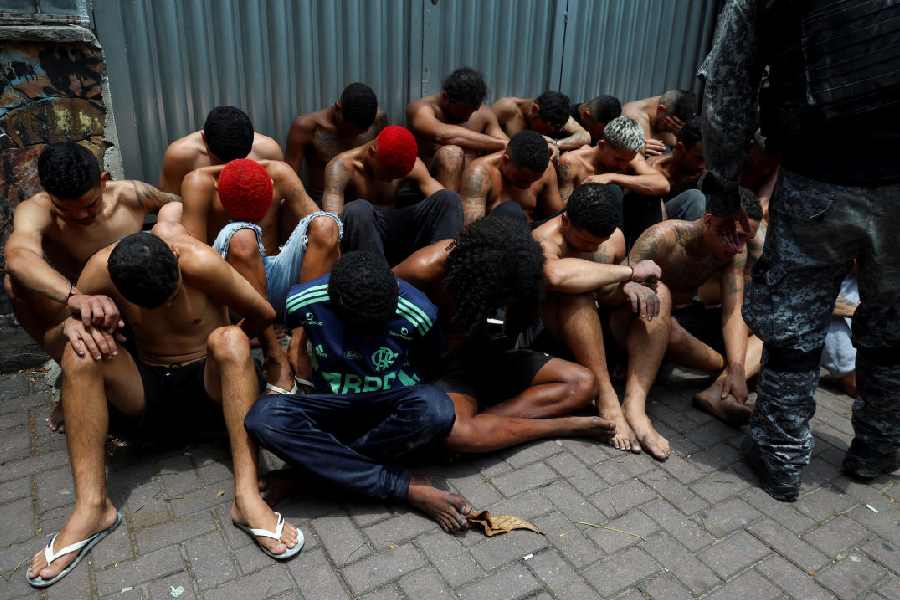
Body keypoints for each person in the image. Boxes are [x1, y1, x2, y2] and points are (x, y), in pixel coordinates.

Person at [25, 214, 300, 589]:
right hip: (146, 391)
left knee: (232, 341)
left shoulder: (199, 261)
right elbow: (53, 334)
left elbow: (263, 313)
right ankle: (93, 508)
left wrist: (252, 357)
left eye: (173, 293)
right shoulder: (101, 269)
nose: (170, 303)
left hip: (208, 388)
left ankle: (247, 496)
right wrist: (71, 325)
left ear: (174, 255)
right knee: (79, 352)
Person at [703, 0, 900, 500]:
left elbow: (727, 88)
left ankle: (780, 457)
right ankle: (879, 449)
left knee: (793, 325)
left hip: (819, 177)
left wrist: (723, 188)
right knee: (893, 327)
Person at [245, 251, 471, 533]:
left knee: (437, 409)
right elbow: (266, 324)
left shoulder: (419, 311)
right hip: (332, 408)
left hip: (389, 415)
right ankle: (404, 487)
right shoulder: (304, 300)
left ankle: (305, 478)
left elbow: (431, 367)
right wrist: (285, 358)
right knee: (264, 417)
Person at [393, 215, 616, 453]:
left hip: (488, 356)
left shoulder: (518, 272)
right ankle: (559, 426)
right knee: (457, 433)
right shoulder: (425, 268)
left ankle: (485, 426)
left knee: (583, 383)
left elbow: (514, 324)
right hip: (443, 369)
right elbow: (376, 312)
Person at [3, 142, 180, 431]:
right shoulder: (37, 209)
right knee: (15, 284)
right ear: (49, 195)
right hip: (79, 309)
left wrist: (169, 225)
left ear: (103, 180)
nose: (81, 216)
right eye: (67, 210)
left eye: (89, 205)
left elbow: (177, 202)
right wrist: (75, 297)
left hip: (135, 303)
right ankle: (70, 372)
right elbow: (18, 255)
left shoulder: (132, 194)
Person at [532, 183, 674, 459]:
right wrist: (628, 273)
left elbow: (609, 291)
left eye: (597, 243)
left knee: (659, 292)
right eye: (585, 242)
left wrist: (629, 287)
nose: (591, 248)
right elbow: (556, 276)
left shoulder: (613, 238)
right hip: (556, 337)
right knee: (576, 295)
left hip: (599, 329)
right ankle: (607, 397)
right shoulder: (544, 239)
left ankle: (635, 406)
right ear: (565, 221)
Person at [181, 157, 341, 394]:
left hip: (286, 288)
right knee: (241, 238)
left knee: (327, 225)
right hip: (239, 293)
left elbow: (328, 244)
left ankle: (299, 344)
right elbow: (193, 263)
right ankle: (273, 354)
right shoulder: (198, 182)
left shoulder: (279, 172)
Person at [629, 190, 763, 427]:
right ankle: (726, 375)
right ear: (709, 220)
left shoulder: (733, 253)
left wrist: (737, 369)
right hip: (652, 321)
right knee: (668, 329)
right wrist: (734, 366)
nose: (740, 248)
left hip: (688, 317)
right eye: (736, 236)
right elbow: (626, 285)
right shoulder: (663, 237)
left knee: (767, 332)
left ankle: (717, 390)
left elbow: (733, 310)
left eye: (746, 239)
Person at [322, 125, 463, 264]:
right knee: (358, 210)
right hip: (363, 236)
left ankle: (447, 266)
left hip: (396, 228)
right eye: (387, 174)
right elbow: (333, 224)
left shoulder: (410, 164)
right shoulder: (341, 168)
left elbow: (441, 200)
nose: (390, 180)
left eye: (396, 176)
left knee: (449, 198)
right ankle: (375, 275)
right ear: (372, 152)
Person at [407, 67, 508, 191]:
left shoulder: (483, 113)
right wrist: (500, 144)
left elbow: (507, 146)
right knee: (451, 154)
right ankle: (450, 203)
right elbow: (442, 135)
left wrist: (503, 147)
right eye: (463, 110)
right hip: (432, 188)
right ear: (445, 97)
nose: (468, 116)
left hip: (473, 186)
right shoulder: (421, 108)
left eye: (473, 110)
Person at [285, 82, 387, 204]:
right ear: (338, 108)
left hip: (363, 201)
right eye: (351, 129)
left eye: (363, 130)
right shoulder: (307, 127)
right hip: (322, 202)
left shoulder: (377, 121)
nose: (356, 135)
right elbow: (289, 179)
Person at [159, 105, 283, 194]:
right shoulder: (181, 155)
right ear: (203, 138)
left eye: (240, 158)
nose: (228, 167)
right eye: (219, 160)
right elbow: (169, 202)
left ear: (252, 138)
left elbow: (281, 198)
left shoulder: (268, 150)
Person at [459, 130, 563, 225]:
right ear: (505, 160)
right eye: (522, 179)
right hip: (492, 235)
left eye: (534, 179)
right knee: (511, 211)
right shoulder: (480, 173)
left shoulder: (547, 170)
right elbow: (470, 228)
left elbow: (558, 217)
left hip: (530, 232)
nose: (528, 185)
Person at [493, 91, 591, 155]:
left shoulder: (555, 115)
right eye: (544, 129)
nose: (545, 133)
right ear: (535, 110)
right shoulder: (507, 109)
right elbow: (485, 134)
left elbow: (585, 136)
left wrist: (556, 144)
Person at [649, 115, 707, 221]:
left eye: (707, 160)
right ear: (681, 148)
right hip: (653, 224)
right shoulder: (652, 168)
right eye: (699, 159)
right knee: (695, 198)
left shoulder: (703, 175)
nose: (703, 166)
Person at [622, 89, 697, 156]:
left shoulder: (669, 111)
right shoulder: (635, 116)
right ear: (661, 110)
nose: (671, 129)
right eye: (669, 125)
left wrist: (683, 136)